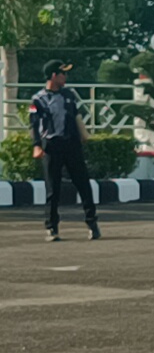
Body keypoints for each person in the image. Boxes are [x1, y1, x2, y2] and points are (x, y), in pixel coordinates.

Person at [29, 59, 99, 242]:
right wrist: (36, 145)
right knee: (53, 189)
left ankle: (92, 224)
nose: (66, 77)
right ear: (54, 75)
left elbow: (76, 116)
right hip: (52, 147)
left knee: (83, 184)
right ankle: (52, 227)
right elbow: (34, 124)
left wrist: (84, 134)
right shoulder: (38, 99)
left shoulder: (69, 95)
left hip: (72, 145)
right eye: (63, 73)